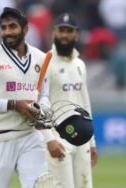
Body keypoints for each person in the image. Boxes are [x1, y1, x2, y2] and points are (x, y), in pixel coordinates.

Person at [0, 7, 51, 188]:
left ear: (26, 30)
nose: (7, 32)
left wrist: (42, 109)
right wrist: (14, 104)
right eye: (4, 28)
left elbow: (44, 94)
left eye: (12, 27)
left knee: (41, 185)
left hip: (30, 135)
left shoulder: (40, 57)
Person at [41, 13, 98, 188]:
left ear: (76, 35)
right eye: (61, 31)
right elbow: (38, 104)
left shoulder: (80, 64)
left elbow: (84, 103)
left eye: (68, 31)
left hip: (81, 138)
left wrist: (92, 140)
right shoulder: (45, 62)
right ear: (53, 33)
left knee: (84, 185)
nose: (64, 35)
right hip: (58, 138)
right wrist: (49, 139)